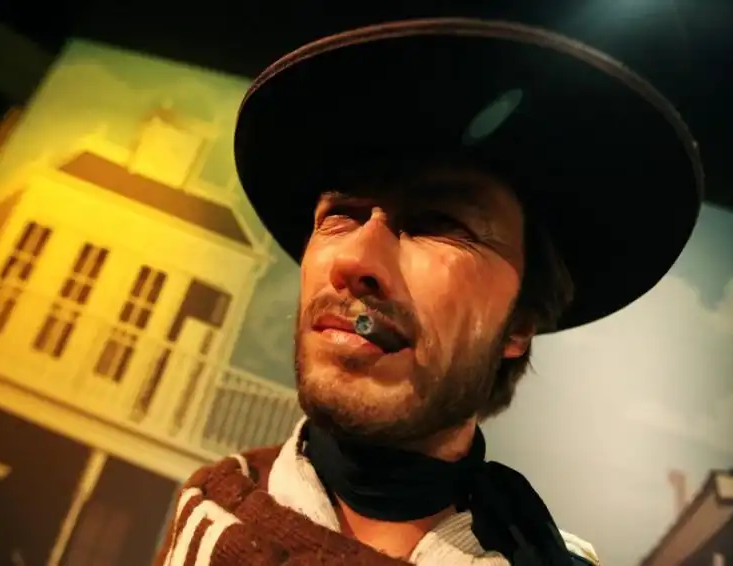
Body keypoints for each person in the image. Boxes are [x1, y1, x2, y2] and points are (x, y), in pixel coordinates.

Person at [155, 18, 703, 566]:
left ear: (518, 325)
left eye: (440, 224)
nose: (354, 260)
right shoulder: (206, 517)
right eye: (340, 214)